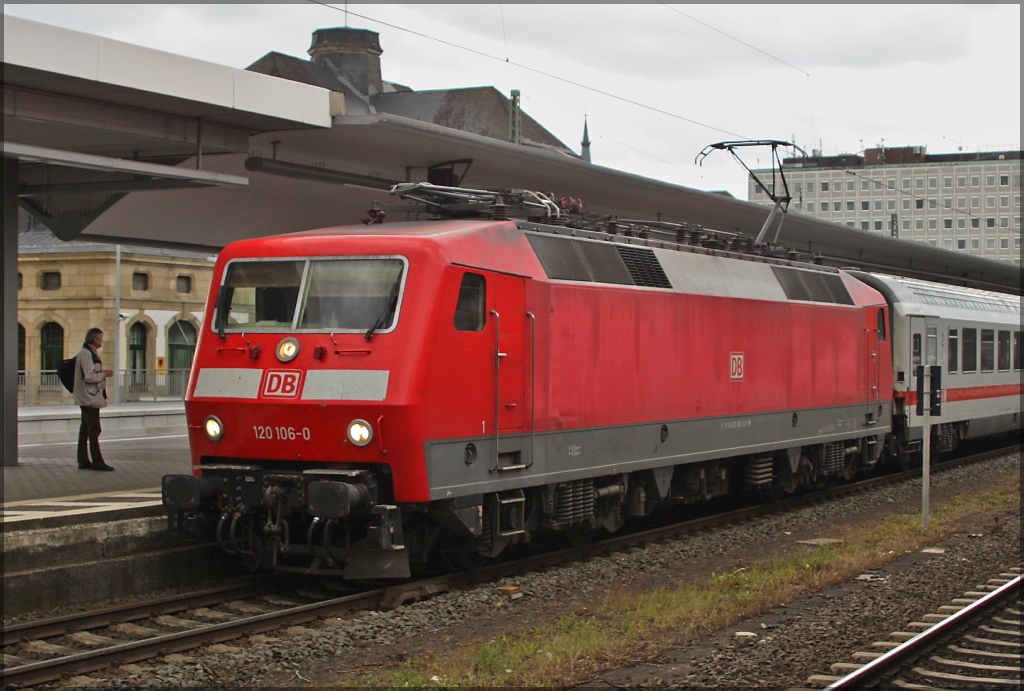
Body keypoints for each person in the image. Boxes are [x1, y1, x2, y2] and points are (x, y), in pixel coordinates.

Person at [74, 327, 115, 471]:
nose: (102, 341)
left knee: (85, 428)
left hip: (89, 396)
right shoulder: (86, 354)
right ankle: (97, 461)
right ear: (95, 339)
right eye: (101, 338)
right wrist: (105, 374)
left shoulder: (89, 353)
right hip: (88, 397)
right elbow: (89, 376)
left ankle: (83, 460)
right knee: (94, 429)